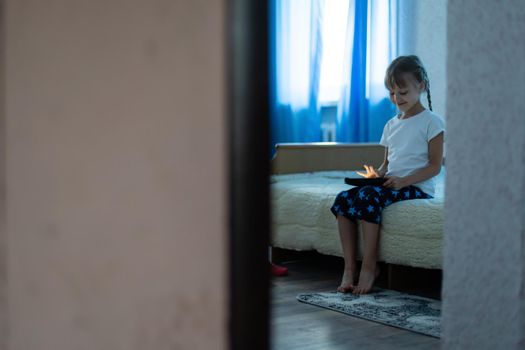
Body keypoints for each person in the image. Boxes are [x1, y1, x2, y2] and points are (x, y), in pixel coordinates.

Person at [330, 55, 445, 295]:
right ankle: (349, 267)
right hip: (392, 184)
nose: (397, 99)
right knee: (343, 199)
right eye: (392, 93)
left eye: (402, 92)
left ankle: (370, 267)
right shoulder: (392, 124)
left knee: (369, 198)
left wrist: (403, 181)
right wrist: (376, 175)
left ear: (421, 86)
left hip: (416, 187)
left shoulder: (432, 122)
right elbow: (386, 164)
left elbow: (435, 167)